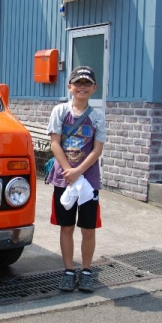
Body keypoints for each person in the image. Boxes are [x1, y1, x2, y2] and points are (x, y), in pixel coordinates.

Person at [45, 66, 106, 293]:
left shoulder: (97, 117)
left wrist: (78, 171)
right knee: (67, 226)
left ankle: (87, 271)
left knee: (88, 228)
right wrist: (68, 170)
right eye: (77, 83)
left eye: (87, 83)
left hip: (88, 183)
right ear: (69, 87)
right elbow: (54, 143)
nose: (82, 87)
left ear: (94, 88)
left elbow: (97, 150)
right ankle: (69, 271)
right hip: (63, 180)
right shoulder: (60, 111)